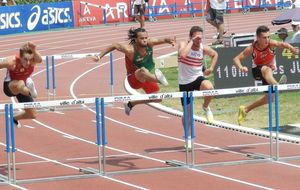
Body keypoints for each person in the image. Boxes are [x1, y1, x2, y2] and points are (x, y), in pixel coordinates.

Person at [92, 27, 176, 115]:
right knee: (142, 70)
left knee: (157, 98)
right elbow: (114, 45)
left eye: (146, 38)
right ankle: (158, 79)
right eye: (142, 38)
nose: (145, 40)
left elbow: (164, 39)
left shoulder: (150, 43)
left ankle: (131, 103)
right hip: (134, 79)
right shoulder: (130, 50)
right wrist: (99, 56)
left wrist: (170, 40)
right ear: (135, 40)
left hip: (147, 77)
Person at [233, 25, 299, 125]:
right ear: (258, 38)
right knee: (266, 69)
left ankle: (245, 109)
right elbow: (236, 59)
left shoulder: (272, 43)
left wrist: (292, 49)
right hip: (257, 70)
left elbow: (283, 45)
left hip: (268, 73)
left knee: (270, 98)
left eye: (268, 37)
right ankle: (277, 85)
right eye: (264, 37)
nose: (267, 39)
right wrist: (241, 67)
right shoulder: (251, 48)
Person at [178, 26, 218, 149]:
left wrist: (211, 68)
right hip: (185, 82)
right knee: (188, 113)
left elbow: (215, 54)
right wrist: (192, 41)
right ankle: (188, 137)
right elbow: (183, 55)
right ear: (191, 37)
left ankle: (206, 107)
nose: (199, 40)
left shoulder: (202, 47)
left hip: (197, 78)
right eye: (196, 37)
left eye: (200, 37)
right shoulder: (184, 44)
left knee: (209, 88)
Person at [0, 42, 42, 128]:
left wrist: (34, 50)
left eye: (30, 59)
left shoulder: (33, 61)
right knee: (21, 83)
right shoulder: (11, 62)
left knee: (32, 114)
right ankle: (29, 87)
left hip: (23, 88)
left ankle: (13, 118)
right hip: (10, 86)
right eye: (25, 59)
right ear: (20, 57)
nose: (28, 63)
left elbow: (40, 60)